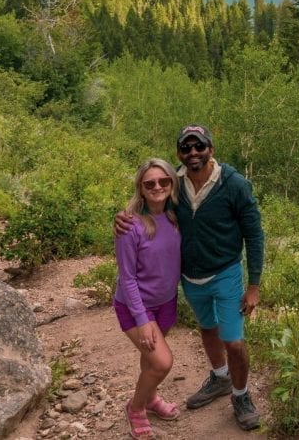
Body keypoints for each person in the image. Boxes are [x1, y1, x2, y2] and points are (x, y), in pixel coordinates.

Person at [116, 124, 265, 431]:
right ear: (179, 153)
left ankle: (241, 395)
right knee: (207, 329)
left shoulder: (234, 184)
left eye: (200, 146)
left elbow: (254, 234)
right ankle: (220, 378)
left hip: (225, 274)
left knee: (233, 342)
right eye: (186, 148)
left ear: (211, 147)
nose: (193, 153)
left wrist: (254, 285)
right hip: (191, 280)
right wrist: (122, 217)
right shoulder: (176, 186)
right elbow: (147, 203)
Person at [115, 158, 182, 439]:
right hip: (135, 306)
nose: (157, 187)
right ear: (141, 188)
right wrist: (143, 321)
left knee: (150, 359)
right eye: (150, 183)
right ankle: (136, 407)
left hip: (166, 303)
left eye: (164, 181)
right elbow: (127, 277)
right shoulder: (130, 225)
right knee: (163, 362)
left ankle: (152, 398)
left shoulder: (175, 216)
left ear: (171, 184)